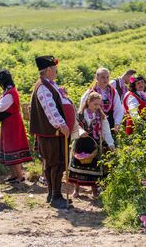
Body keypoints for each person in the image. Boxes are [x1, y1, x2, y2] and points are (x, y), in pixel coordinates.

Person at [29, 56, 82, 209]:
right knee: (56, 164)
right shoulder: (43, 87)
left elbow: (57, 102)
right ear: (49, 70)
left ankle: (52, 194)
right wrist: (61, 125)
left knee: (54, 164)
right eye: (55, 69)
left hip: (53, 133)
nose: (57, 71)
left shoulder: (49, 84)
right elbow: (50, 109)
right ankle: (56, 197)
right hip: (52, 133)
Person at [0, 69, 32, 183]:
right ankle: (14, 174)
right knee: (8, 147)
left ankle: (20, 176)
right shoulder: (8, 91)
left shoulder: (11, 93)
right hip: (9, 122)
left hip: (13, 124)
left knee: (13, 147)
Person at [69, 92, 115, 198]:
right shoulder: (80, 114)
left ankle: (94, 191)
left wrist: (110, 143)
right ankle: (76, 190)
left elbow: (106, 130)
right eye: (95, 104)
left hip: (93, 144)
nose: (97, 107)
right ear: (88, 102)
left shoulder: (100, 116)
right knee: (78, 164)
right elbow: (75, 125)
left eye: (99, 104)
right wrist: (81, 132)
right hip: (81, 142)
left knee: (93, 166)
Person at [81, 68, 124, 134]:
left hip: (110, 123)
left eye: (107, 77)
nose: (106, 80)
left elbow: (118, 109)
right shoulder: (90, 92)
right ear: (96, 78)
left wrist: (117, 123)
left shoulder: (113, 92)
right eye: (103, 77)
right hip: (94, 123)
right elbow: (83, 109)